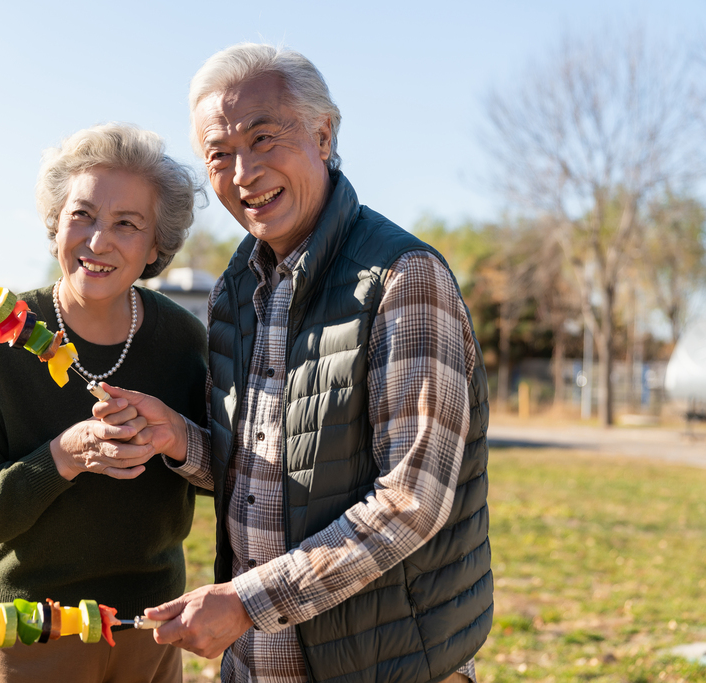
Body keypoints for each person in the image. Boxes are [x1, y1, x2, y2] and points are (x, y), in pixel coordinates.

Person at [94, 45, 492, 683]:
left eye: (264, 138)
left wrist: (247, 602)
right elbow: (264, 470)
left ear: (324, 134)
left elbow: (414, 500)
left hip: (383, 662)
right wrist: (178, 439)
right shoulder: (235, 290)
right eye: (219, 155)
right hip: (260, 662)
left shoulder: (402, 279)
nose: (243, 172)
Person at [0, 123, 208, 683]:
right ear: (55, 222)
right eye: (81, 215)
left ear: (157, 245)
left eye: (127, 224)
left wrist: (175, 438)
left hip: (148, 628)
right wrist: (62, 457)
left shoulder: (184, 341)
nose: (98, 241)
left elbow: (230, 476)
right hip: (28, 633)